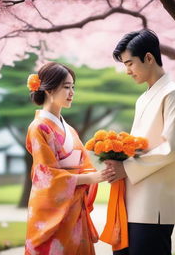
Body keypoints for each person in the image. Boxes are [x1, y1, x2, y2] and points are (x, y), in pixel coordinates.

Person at [104, 29, 175, 255]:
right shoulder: (143, 98)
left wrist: (126, 167)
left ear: (149, 58)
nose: (127, 71)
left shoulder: (173, 94)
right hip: (131, 202)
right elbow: (141, 145)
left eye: (130, 63)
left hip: (154, 207)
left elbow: (172, 149)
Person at [24, 62, 113, 255]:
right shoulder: (38, 127)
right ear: (48, 89)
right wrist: (89, 179)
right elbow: (45, 176)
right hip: (52, 211)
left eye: (73, 87)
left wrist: (100, 171)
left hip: (74, 207)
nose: (72, 92)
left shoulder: (69, 129)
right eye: (66, 87)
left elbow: (85, 165)